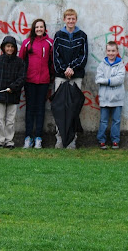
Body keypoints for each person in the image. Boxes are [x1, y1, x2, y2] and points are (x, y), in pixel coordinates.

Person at [52, 8, 88, 149]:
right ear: (64, 19)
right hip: (61, 77)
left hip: (76, 77)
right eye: (68, 18)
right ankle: (60, 139)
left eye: (73, 18)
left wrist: (72, 68)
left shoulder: (82, 35)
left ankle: (72, 140)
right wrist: (64, 69)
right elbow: (56, 56)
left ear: (76, 20)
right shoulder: (58, 35)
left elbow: (83, 57)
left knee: (73, 108)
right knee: (60, 108)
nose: (71, 21)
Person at [19, 18, 54, 149]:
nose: (39, 29)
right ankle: (28, 137)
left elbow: (52, 62)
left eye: (41, 27)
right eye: (37, 27)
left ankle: (38, 138)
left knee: (40, 110)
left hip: (44, 81)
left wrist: (50, 76)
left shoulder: (50, 43)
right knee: (30, 110)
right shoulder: (27, 42)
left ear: (45, 29)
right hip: (29, 81)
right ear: (34, 29)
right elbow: (21, 60)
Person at [95, 41, 125, 150]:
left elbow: (120, 79)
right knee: (103, 120)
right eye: (109, 51)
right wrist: (111, 81)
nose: (111, 53)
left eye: (113, 51)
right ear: (106, 51)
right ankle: (101, 140)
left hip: (117, 98)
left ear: (117, 51)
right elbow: (98, 79)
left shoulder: (120, 65)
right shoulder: (102, 65)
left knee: (116, 121)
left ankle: (115, 141)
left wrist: (106, 81)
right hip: (105, 98)